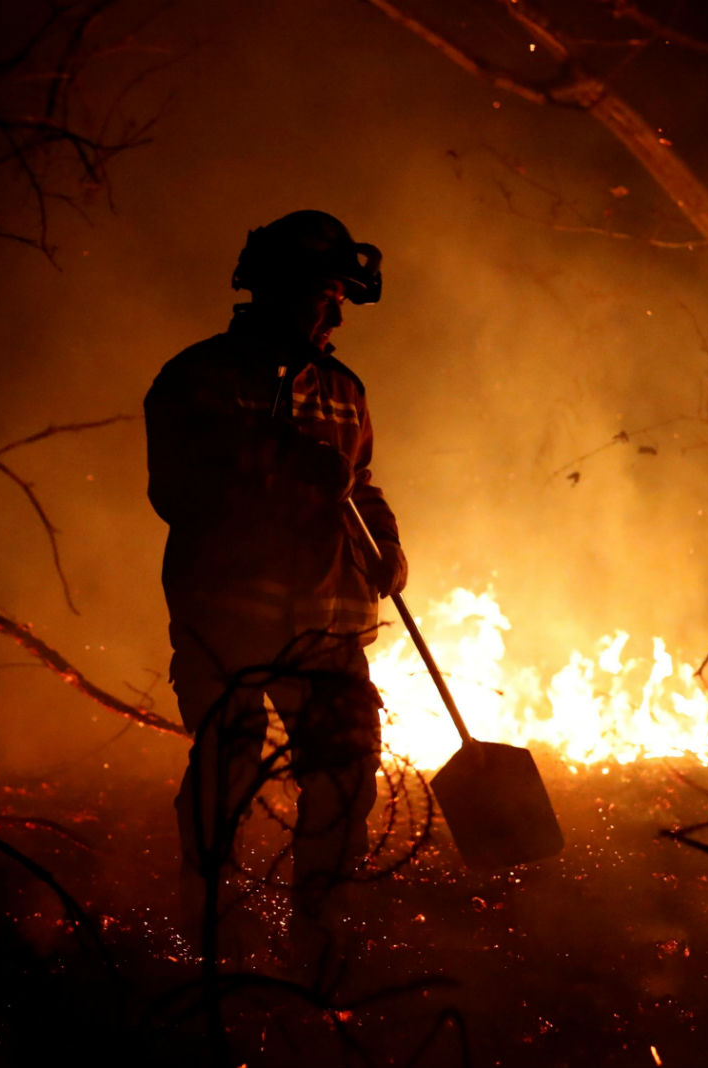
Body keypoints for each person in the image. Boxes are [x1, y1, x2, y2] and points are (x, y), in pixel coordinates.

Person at [144, 210, 407, 959]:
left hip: (329, 623)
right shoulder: (198, 377)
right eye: (326, 295)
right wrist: (280, 460)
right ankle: (212, 932)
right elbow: (177, 490)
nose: (336, 316)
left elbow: (360, 482)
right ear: (279, 288)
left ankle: (319, 937)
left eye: (341, 298)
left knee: (344, 771)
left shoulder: (344, 389)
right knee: (229, 764)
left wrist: (385, 542)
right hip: (226, 619)